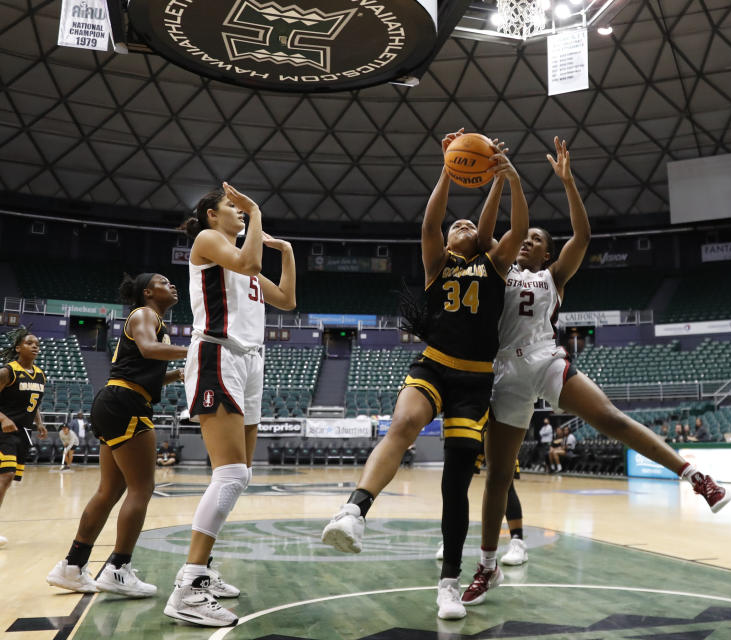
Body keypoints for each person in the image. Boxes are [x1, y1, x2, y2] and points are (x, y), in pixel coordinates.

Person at [461, 137, 731, 608]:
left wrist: (568, 184)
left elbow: (582, 238)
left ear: (548, 254)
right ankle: (487, 566)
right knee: (498, 475)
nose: (527, 241)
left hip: (545, 358)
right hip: (504, 371)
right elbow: (487, 238)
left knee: (611, 419)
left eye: (538, 240)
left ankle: (695, 477)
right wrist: (502, 185)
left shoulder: (553, 278)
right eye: (525, 237)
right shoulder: (499, 268)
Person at [321, 131, 527, 622]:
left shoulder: (495, 264)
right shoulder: (437, 264)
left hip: (475, 383)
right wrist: (448, 169)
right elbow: (432, 219)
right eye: (456, 225)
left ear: (479, 237)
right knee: (403, 426)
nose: (458, 225)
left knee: (455, 484)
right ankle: (353, 512)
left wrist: (505, 178)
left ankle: (450, 583)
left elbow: (512, 228)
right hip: (433, 365)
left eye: (468, 224)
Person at [164, 183, 297, 626]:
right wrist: (256, 211)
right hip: (216, 352)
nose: (239, 213)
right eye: (232, 208)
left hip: (250, 361)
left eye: (242, 209)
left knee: (241, 474)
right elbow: (248, 259)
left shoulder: (242, 262)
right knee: (232, 472)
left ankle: (204, 569)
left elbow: (287, 300)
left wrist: (290, 251)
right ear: (210, 216)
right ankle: (188, 586)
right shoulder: (208, 242)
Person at [47, 273, 188, 597]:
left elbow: (145, 370)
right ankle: (117, 569)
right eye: (165, 282)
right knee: (142, 488)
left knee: (109, 491)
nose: (173, 285)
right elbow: (150, 350)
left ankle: (72, 566)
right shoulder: (144, 314)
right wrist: (196, 351)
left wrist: (176, 374)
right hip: (126, 403)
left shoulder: (154, 322)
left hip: (115, 401)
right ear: (148, 292)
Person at [0, 327, 48, 549]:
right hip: (4, 431)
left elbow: (34, 402)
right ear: (18, 347)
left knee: (8, 480)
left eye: (37, 343)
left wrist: (39, 423)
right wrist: (3, 419)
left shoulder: (40, 374)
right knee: (6, 476)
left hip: (23, 433)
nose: (35, 346)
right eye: (30, 343)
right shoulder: (7, 372)